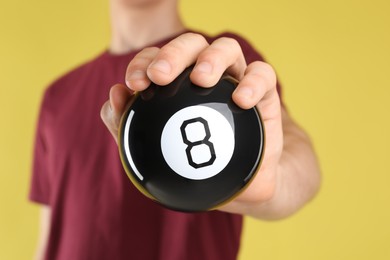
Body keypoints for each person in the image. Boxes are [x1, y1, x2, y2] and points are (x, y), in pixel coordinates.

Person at [30, 0, 321, 259]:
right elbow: (50, 234)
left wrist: (269, 181)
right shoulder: (58, 95)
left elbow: (300, 164)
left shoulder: (221, 65)